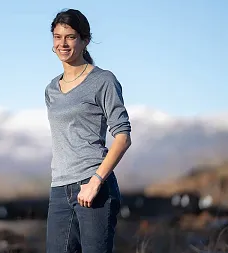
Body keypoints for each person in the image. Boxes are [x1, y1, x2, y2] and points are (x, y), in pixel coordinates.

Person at [44, 8, 132, 253]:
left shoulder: (103, 80)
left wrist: (96, 181)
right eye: (57, 36)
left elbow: (123, 136)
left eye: (70, 36)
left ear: (85, 40)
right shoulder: (51, 89)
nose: (63, 43)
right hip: (60, 189)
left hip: (94, 186)